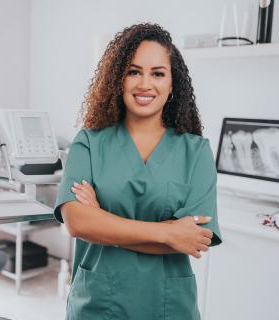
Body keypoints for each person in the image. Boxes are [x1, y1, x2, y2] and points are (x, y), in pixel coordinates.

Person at [54, 23, 222, 320]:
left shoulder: (195, 151)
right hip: (98, 304)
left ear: (173, 84)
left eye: (158, 73)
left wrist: (104, 222)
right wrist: (167, 232)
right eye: (134, 71)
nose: (145, 83)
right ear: (118, 80)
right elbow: (77, 222)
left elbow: (194, 238)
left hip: (168, 306)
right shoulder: (89, 142)